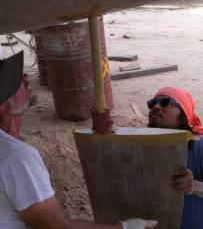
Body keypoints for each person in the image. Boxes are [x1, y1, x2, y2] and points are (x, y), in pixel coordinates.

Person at [0, 52, 158, 228]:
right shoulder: (16, 158)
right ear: (3, 107)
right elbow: (56, 226)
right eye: (14, 82)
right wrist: (124, 227)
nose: (25, 78)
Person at [147, 86, 203, 229]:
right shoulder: (143, 145)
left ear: (183, 115)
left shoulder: (199, 146)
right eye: (152, 104)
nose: (156, 106)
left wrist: (194, 186)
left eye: (165, 102)